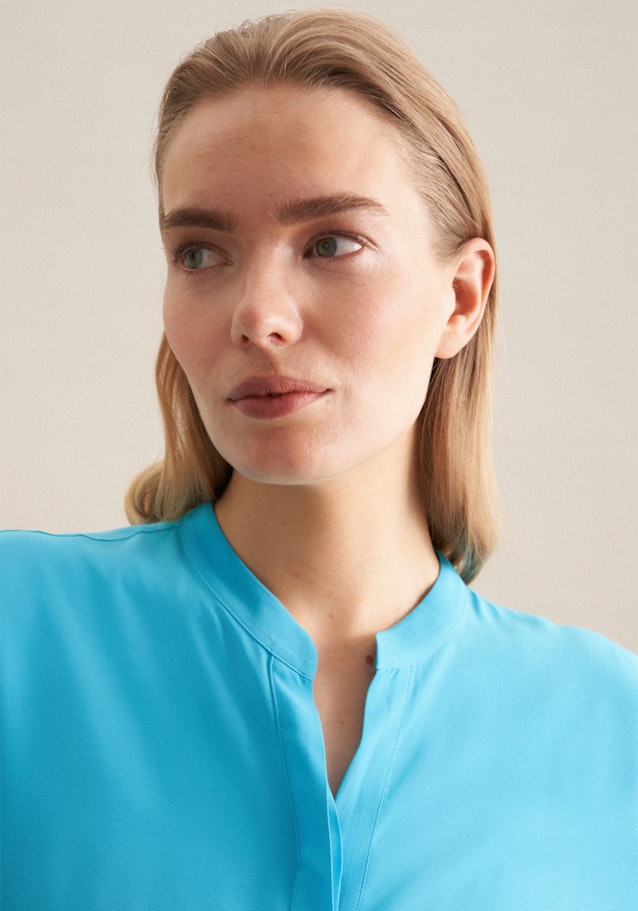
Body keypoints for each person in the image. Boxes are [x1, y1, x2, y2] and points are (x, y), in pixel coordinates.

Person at [2, 10, 636, 910]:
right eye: (199, 252)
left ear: (461, 298)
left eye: (332, 243)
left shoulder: (610, 724)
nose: (258, 315)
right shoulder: (20, 629)